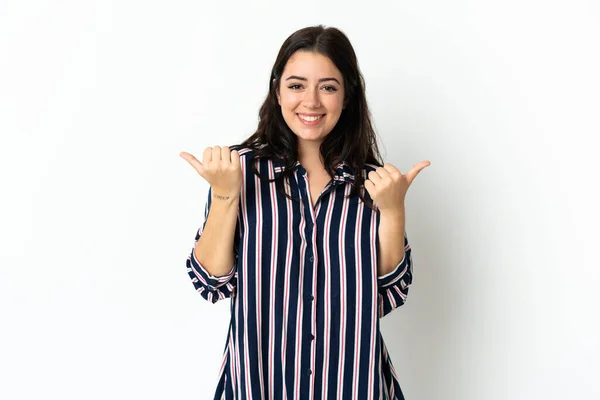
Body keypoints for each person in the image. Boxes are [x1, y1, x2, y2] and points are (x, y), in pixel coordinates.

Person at [180, 25, 430, 400]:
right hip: (258, 386)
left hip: (353, 386)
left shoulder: (374, 184)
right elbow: (212, 283)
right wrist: (225, 197)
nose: (311, 101)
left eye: (328, 87)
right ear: (277, 90)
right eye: (297, 85)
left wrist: (393, 211)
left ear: (347, 97)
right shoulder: (239, 172)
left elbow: (388, 294)